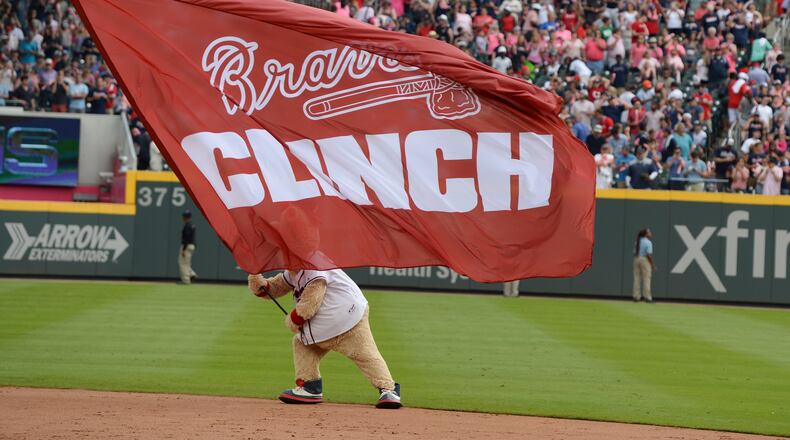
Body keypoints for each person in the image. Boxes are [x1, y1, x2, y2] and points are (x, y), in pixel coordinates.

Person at [248, 268, 402, 409]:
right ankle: (388, 390)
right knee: (306, 344)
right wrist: (260, 283)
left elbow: (312, 298)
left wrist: (295, 319)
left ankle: (388, 388)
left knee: (364, 353)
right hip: (337, 319)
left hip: (345, 317)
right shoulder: (296, 269)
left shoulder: (314, 266)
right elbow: (278, 286)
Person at [633, 228, 656, 303]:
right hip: (644, 260)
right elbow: (648, 255)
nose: (650, 233)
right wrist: (653, 265)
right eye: (649, 232)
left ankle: (636, 297)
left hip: (636, 259)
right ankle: (647, 297)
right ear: (646, 234)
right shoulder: (648, 242)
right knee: (646, 278)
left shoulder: (637, 241)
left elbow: (634, 252)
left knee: (637, 278)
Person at [178, 210, 197, 285]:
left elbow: (187, 238)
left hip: (187, 245)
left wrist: (184, 249)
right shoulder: (192, 224)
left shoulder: (187, 225)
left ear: (185, 217)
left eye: (183, 216)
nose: (182, 218)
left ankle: (186, 280)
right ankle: (191, 274)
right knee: (186, 262)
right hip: (192, 245)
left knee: (182, 263)